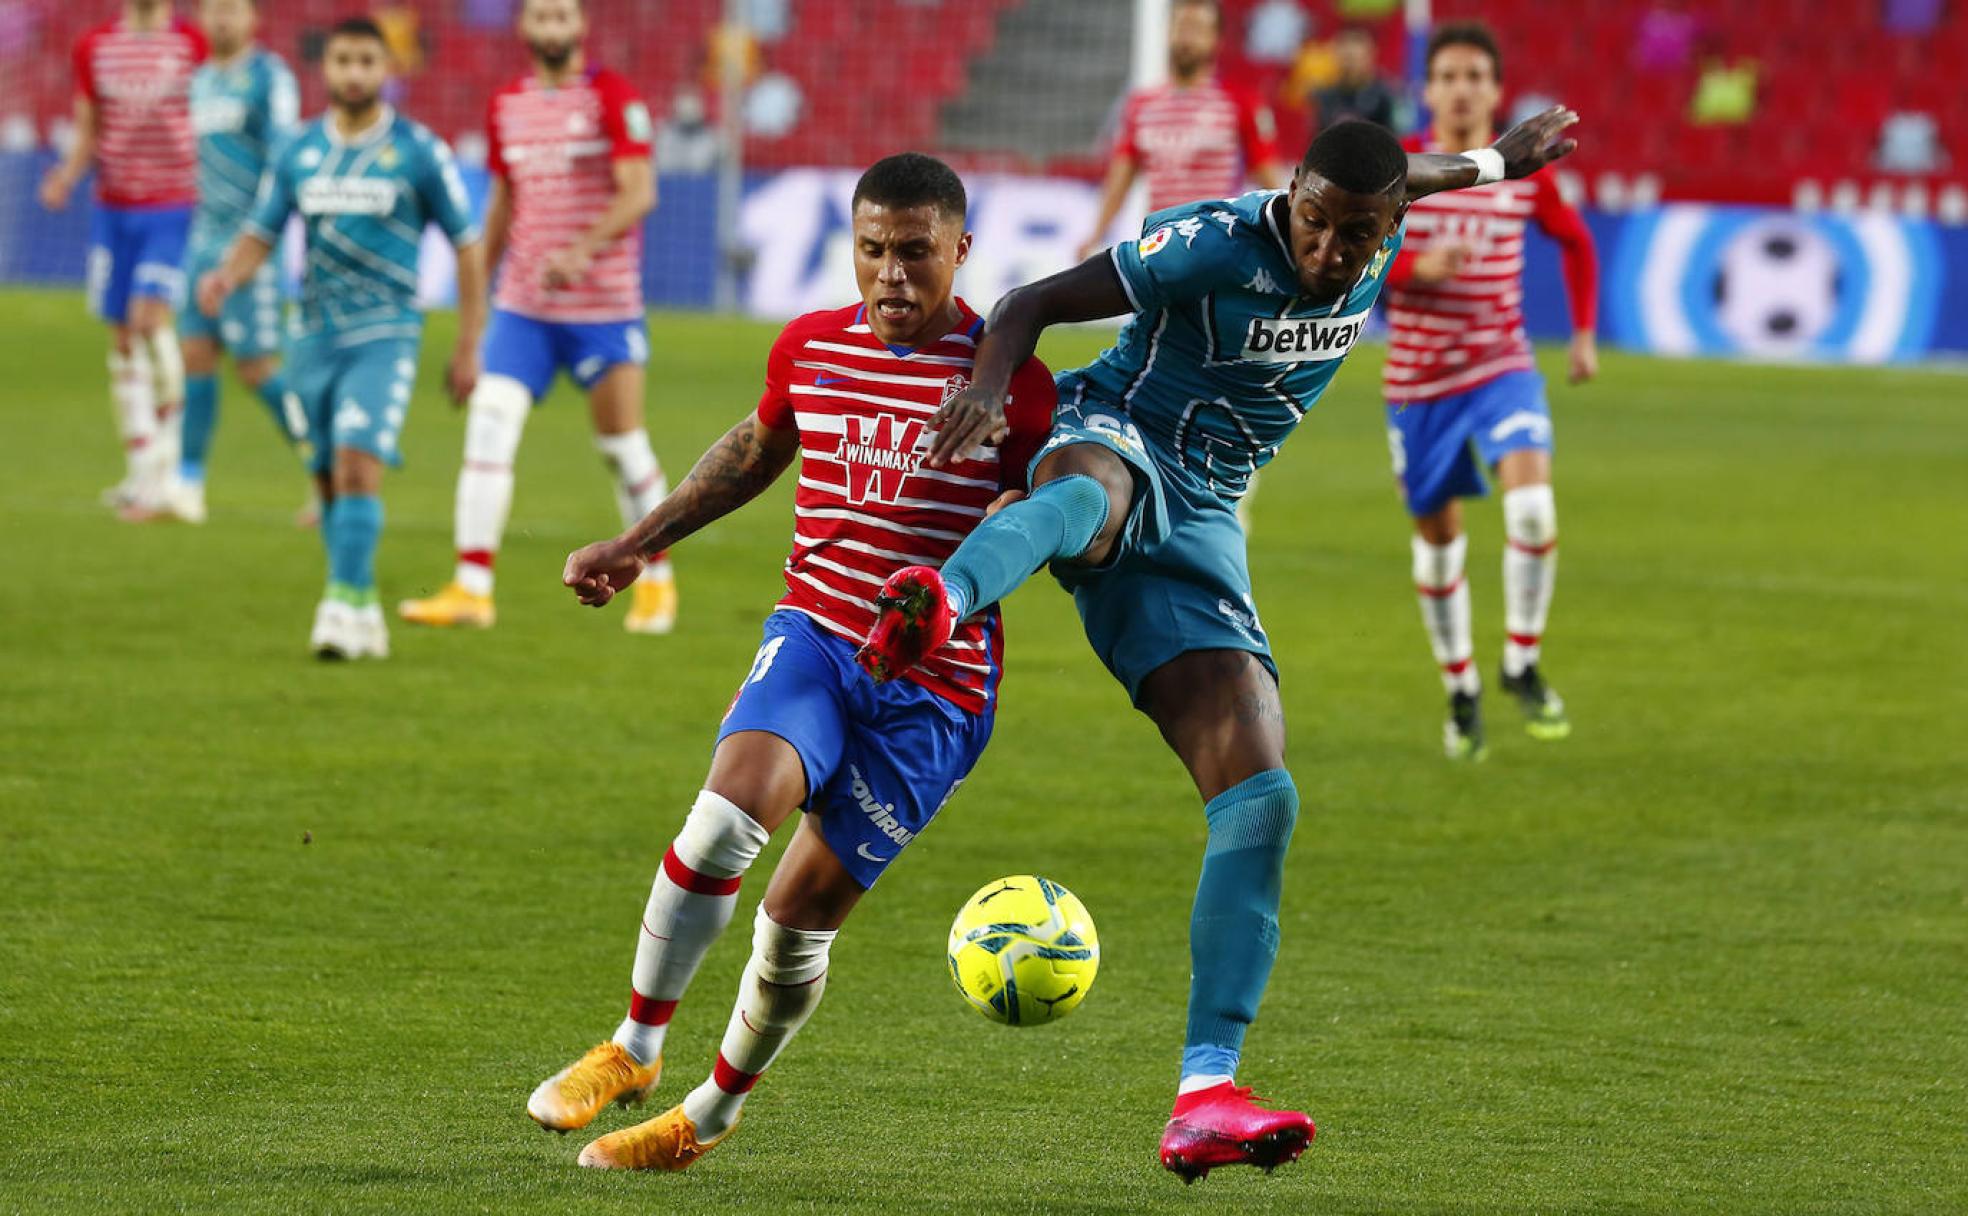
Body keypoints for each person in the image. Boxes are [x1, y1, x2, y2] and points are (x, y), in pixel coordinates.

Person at [857, 109, 1581, 1183]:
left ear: (1388, 225)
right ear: (1291, 192)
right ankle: (941, 598)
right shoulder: (1212, 243)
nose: (1331, 251)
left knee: (1261, 794)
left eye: (1358, 235)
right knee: (1089, 494)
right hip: (1116, 434)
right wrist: (982, 387)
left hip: (1205, 520)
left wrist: (1497, 163)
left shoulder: (1382, 208)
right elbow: (1030, 302)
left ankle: (1204, 1093)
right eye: (1318, 223)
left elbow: (1421, 173)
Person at [539, 153, 1056, 1170]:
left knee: (792, 924)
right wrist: (637, 542)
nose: (892, 274)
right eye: (872, 251)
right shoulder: (811, 348)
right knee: (725, 817)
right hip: (818, 635)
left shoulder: (1014, 384)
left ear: (961, 249)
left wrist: (1001, 521)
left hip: (936, 690)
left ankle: (705, 1117)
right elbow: (756, 449)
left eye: (916, 252)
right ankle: (634, 1047)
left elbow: (1043, 515)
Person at [196, 17, 485, 660]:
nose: (354, 72)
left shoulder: (416, 150)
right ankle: (363, 613)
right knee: (326, 475)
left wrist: (469, 344)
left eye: (366, 61)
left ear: (387, 71)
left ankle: (338, 602)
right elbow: (261, 232)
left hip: (384, 336)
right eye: (343, 61)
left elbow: (468, 248)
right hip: (313, 338)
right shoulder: (298, 152)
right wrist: (225, 278)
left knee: (359, 464)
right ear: (324, 70)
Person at [399, 0, 678, 635]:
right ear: (525, 27)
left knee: (620, 446)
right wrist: (470, 328)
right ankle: (472, 588)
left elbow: (640, 190)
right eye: (541, 17)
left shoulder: (610, 95)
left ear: (580, 25)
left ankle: (657, 577)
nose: (552, 28)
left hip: (602, 308)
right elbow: (501, 205)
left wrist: (581, 249)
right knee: (488, 429)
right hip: (522, 308)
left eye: (562, 17)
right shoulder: (506, 105)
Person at [1381, 23, 1598, 759]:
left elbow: (1575, 239)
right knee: (1440, 546)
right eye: (1449, 75)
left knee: (1534, 507)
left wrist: (1584, 334)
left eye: (1477, 75)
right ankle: (1462, 685)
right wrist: (1414, 272)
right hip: (1418, 383)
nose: (1464, 87)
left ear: (1496, 90)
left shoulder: (1526, 168)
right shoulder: (1401, 172)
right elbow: (1350, 271)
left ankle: (1520, 660)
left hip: (1502, 366)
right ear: (1428, 89)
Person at [39, 0, 206, 519]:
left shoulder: (191, 45)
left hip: (173, 204)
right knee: (121, 336)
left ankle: (168, 470)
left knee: (150, 319)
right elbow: (90, 126)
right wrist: (67, 175)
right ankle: (138, 471)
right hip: (113, 210)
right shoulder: (94, 46)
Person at [151, 0, 300, 525]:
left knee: (256, 367)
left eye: (232, 9)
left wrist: (254, 240)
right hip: (202, 239)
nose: (222, 19)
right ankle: (186, 485)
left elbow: (283, 162)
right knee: (195, 355)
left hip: (250, 242)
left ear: (253, 17)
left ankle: (326, 474)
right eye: (213, 9)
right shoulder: (200, 80)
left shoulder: (269, 76)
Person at [1075, 0, 1285, 263]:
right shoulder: (1141, 106)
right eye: (1181, 27)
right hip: (1160, 248)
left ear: (1215, 40)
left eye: (1197, 29)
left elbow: (1268, 175)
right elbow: (1121, 176)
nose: (1187, 38)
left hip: (1218, 246)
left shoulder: (1240, 102)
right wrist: (1096, 234)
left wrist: (1287, 232)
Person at [1312, 27, 1399, 131]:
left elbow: (1394, 140)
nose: (1350, 63)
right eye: (1346, 58)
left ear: (1371, 54)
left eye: (1354, 58)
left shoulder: (1385, 96)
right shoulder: (1325, 96)